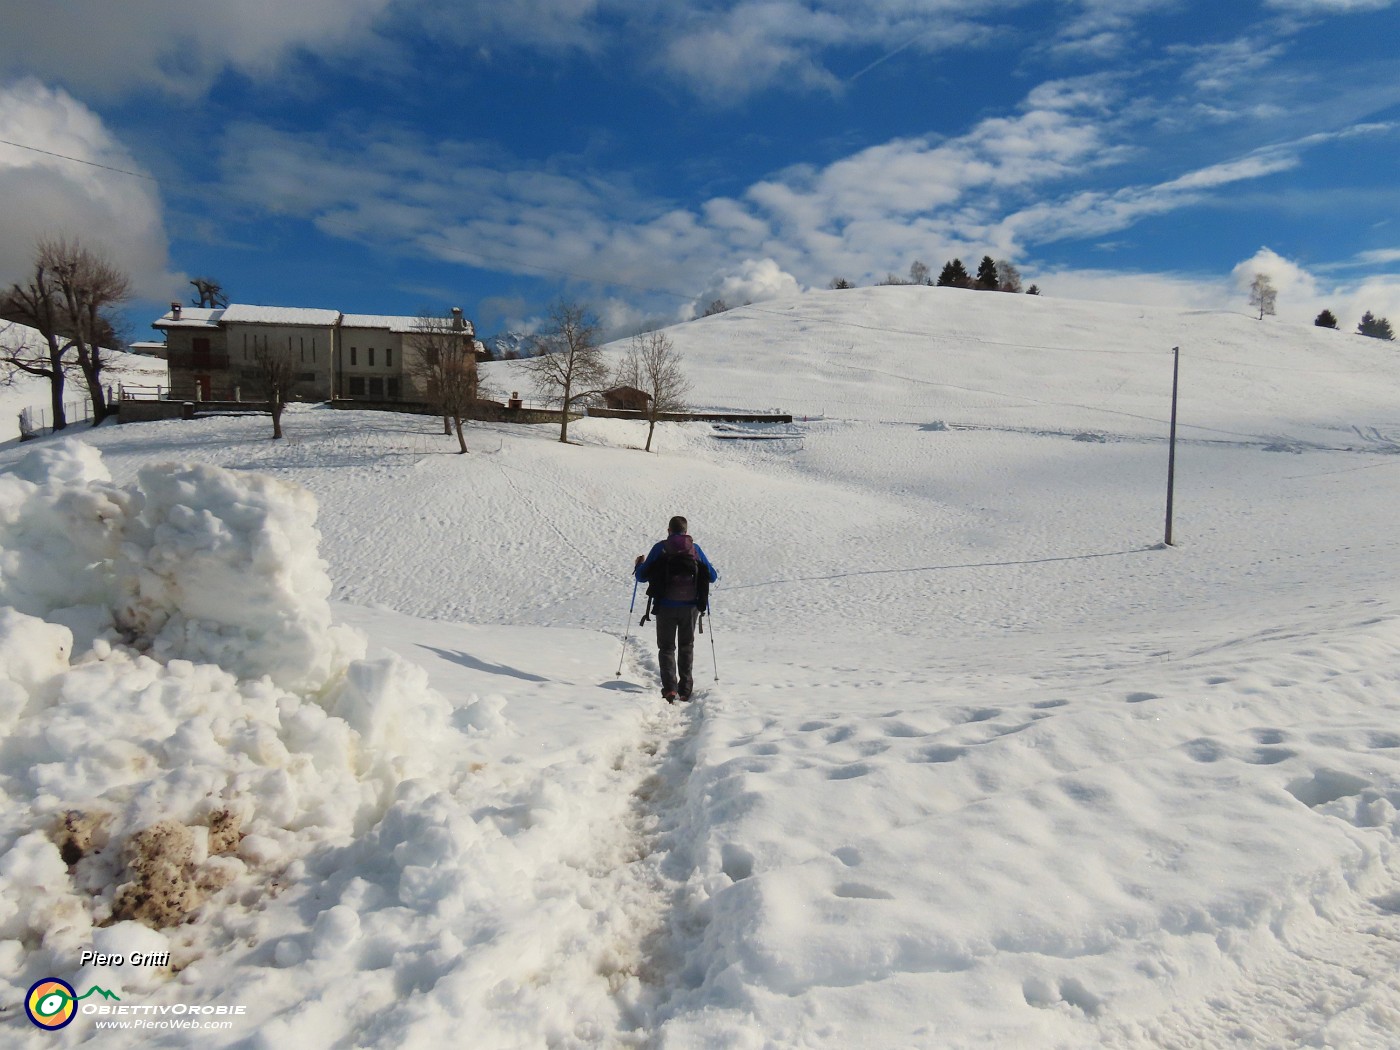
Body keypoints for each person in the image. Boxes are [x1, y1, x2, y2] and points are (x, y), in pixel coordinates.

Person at [634, 515, 718, 703]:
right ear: (686, 531)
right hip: (690, 607)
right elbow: (712, 576)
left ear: (669, 531)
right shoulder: (694, 550)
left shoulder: (660, 548)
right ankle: (685, 689)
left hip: (665, 606)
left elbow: (641, 577)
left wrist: (638, 565)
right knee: (686, 646)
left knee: (666, 648)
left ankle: (670, 689)